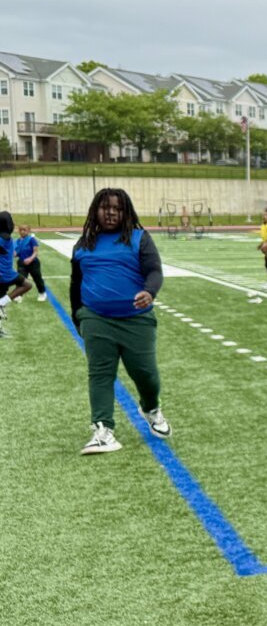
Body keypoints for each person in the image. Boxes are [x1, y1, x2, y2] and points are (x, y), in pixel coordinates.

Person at [68, 189, 170, 454]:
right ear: (95, 211)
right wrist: (78, 314)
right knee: (100, 373)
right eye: (105, 207)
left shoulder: (139, 238)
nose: (111, 212)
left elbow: (154, 271)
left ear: (126, 212)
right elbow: (75, 283)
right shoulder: (84, 243)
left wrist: (150, 291)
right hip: (95, 318)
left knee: (145, 374)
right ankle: (103, 430)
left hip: (136, 321)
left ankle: (151, 408)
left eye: (117, 208)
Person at [0, 213, 28, 334]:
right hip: (6, 274)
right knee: (27, 285)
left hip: (5, 273)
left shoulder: (5, 237)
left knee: (2, 297)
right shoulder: (5, 236)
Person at [14, 224, 46, 301]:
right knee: (20, 280)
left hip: (33, 263)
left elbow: (35, 252)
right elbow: (16, 253)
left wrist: (30, 259)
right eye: (20, 230)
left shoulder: (32, 239)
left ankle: (42, 293)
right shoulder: (17, 241)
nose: (22, 231)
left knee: (37, 278)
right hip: (22, 263)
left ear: (28, 231)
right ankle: (19, 295)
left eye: (24, 230)